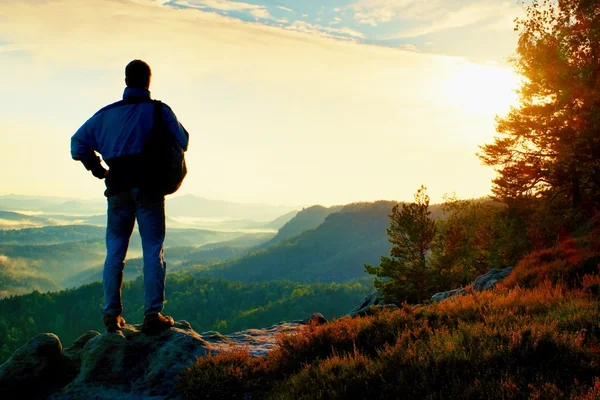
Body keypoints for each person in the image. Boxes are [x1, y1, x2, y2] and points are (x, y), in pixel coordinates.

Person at [71, 60, 189, 333]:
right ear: (148, 81)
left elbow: (76, 143)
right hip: (149, 187)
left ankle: (111, 316)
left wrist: (95, 166)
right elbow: (183, 141)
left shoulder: (105, 115)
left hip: (117, 188)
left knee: (115, 251)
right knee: (152, 249)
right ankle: (152, 314)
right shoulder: (160, 111)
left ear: (126, 80)